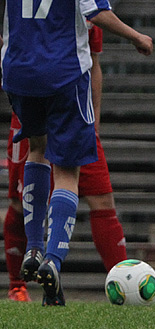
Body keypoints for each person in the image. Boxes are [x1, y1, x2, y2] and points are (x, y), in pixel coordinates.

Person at [0, 0, 153, 306]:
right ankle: (52, 257)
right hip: (65, 72)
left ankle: (31, 248)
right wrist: (135, 35)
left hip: (18, 71)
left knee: (37, 152)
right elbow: (95, 10)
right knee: (68, 169)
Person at [4, 24, 128, 302]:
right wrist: (136, 36)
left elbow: (94, 62)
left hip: (77, 111)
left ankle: (123, 285)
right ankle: (18, 286)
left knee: (102, 199)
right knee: (19, 201)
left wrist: (94, 118)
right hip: (40, 103)